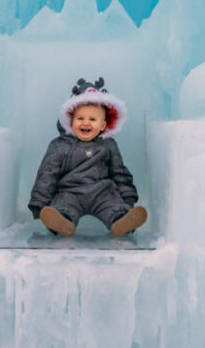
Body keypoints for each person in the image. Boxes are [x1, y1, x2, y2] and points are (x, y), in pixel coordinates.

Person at [28, 77, 147, 237]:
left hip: (102, 193)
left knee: (113, 206)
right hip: (70, 192)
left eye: (92, 119)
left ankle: (121, 220)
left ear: (103, 125)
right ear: (70, 121)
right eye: (80, 118)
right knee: (63, 208)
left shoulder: (108, 145)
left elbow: (119, 172)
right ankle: (61, 222)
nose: (86, 123)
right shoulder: (60, 145)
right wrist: (39, 204)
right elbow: (47, 174)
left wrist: (128, 199)